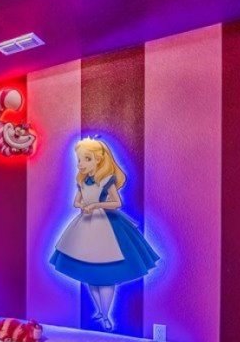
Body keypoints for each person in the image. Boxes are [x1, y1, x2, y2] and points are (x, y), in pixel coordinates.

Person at [50, 138, 159, 331]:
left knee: (107, 273)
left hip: (106, 225)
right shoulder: (82, 180)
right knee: (89, 273)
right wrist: (83, 205)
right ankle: (101, 311)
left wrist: (96, 205)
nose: (81, 164)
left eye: (86, 159)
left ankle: (106, 315)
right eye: (79, 159)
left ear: (98, 160)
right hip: (86, 224)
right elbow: (76, 201)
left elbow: (117, 203)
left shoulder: (107, 180)